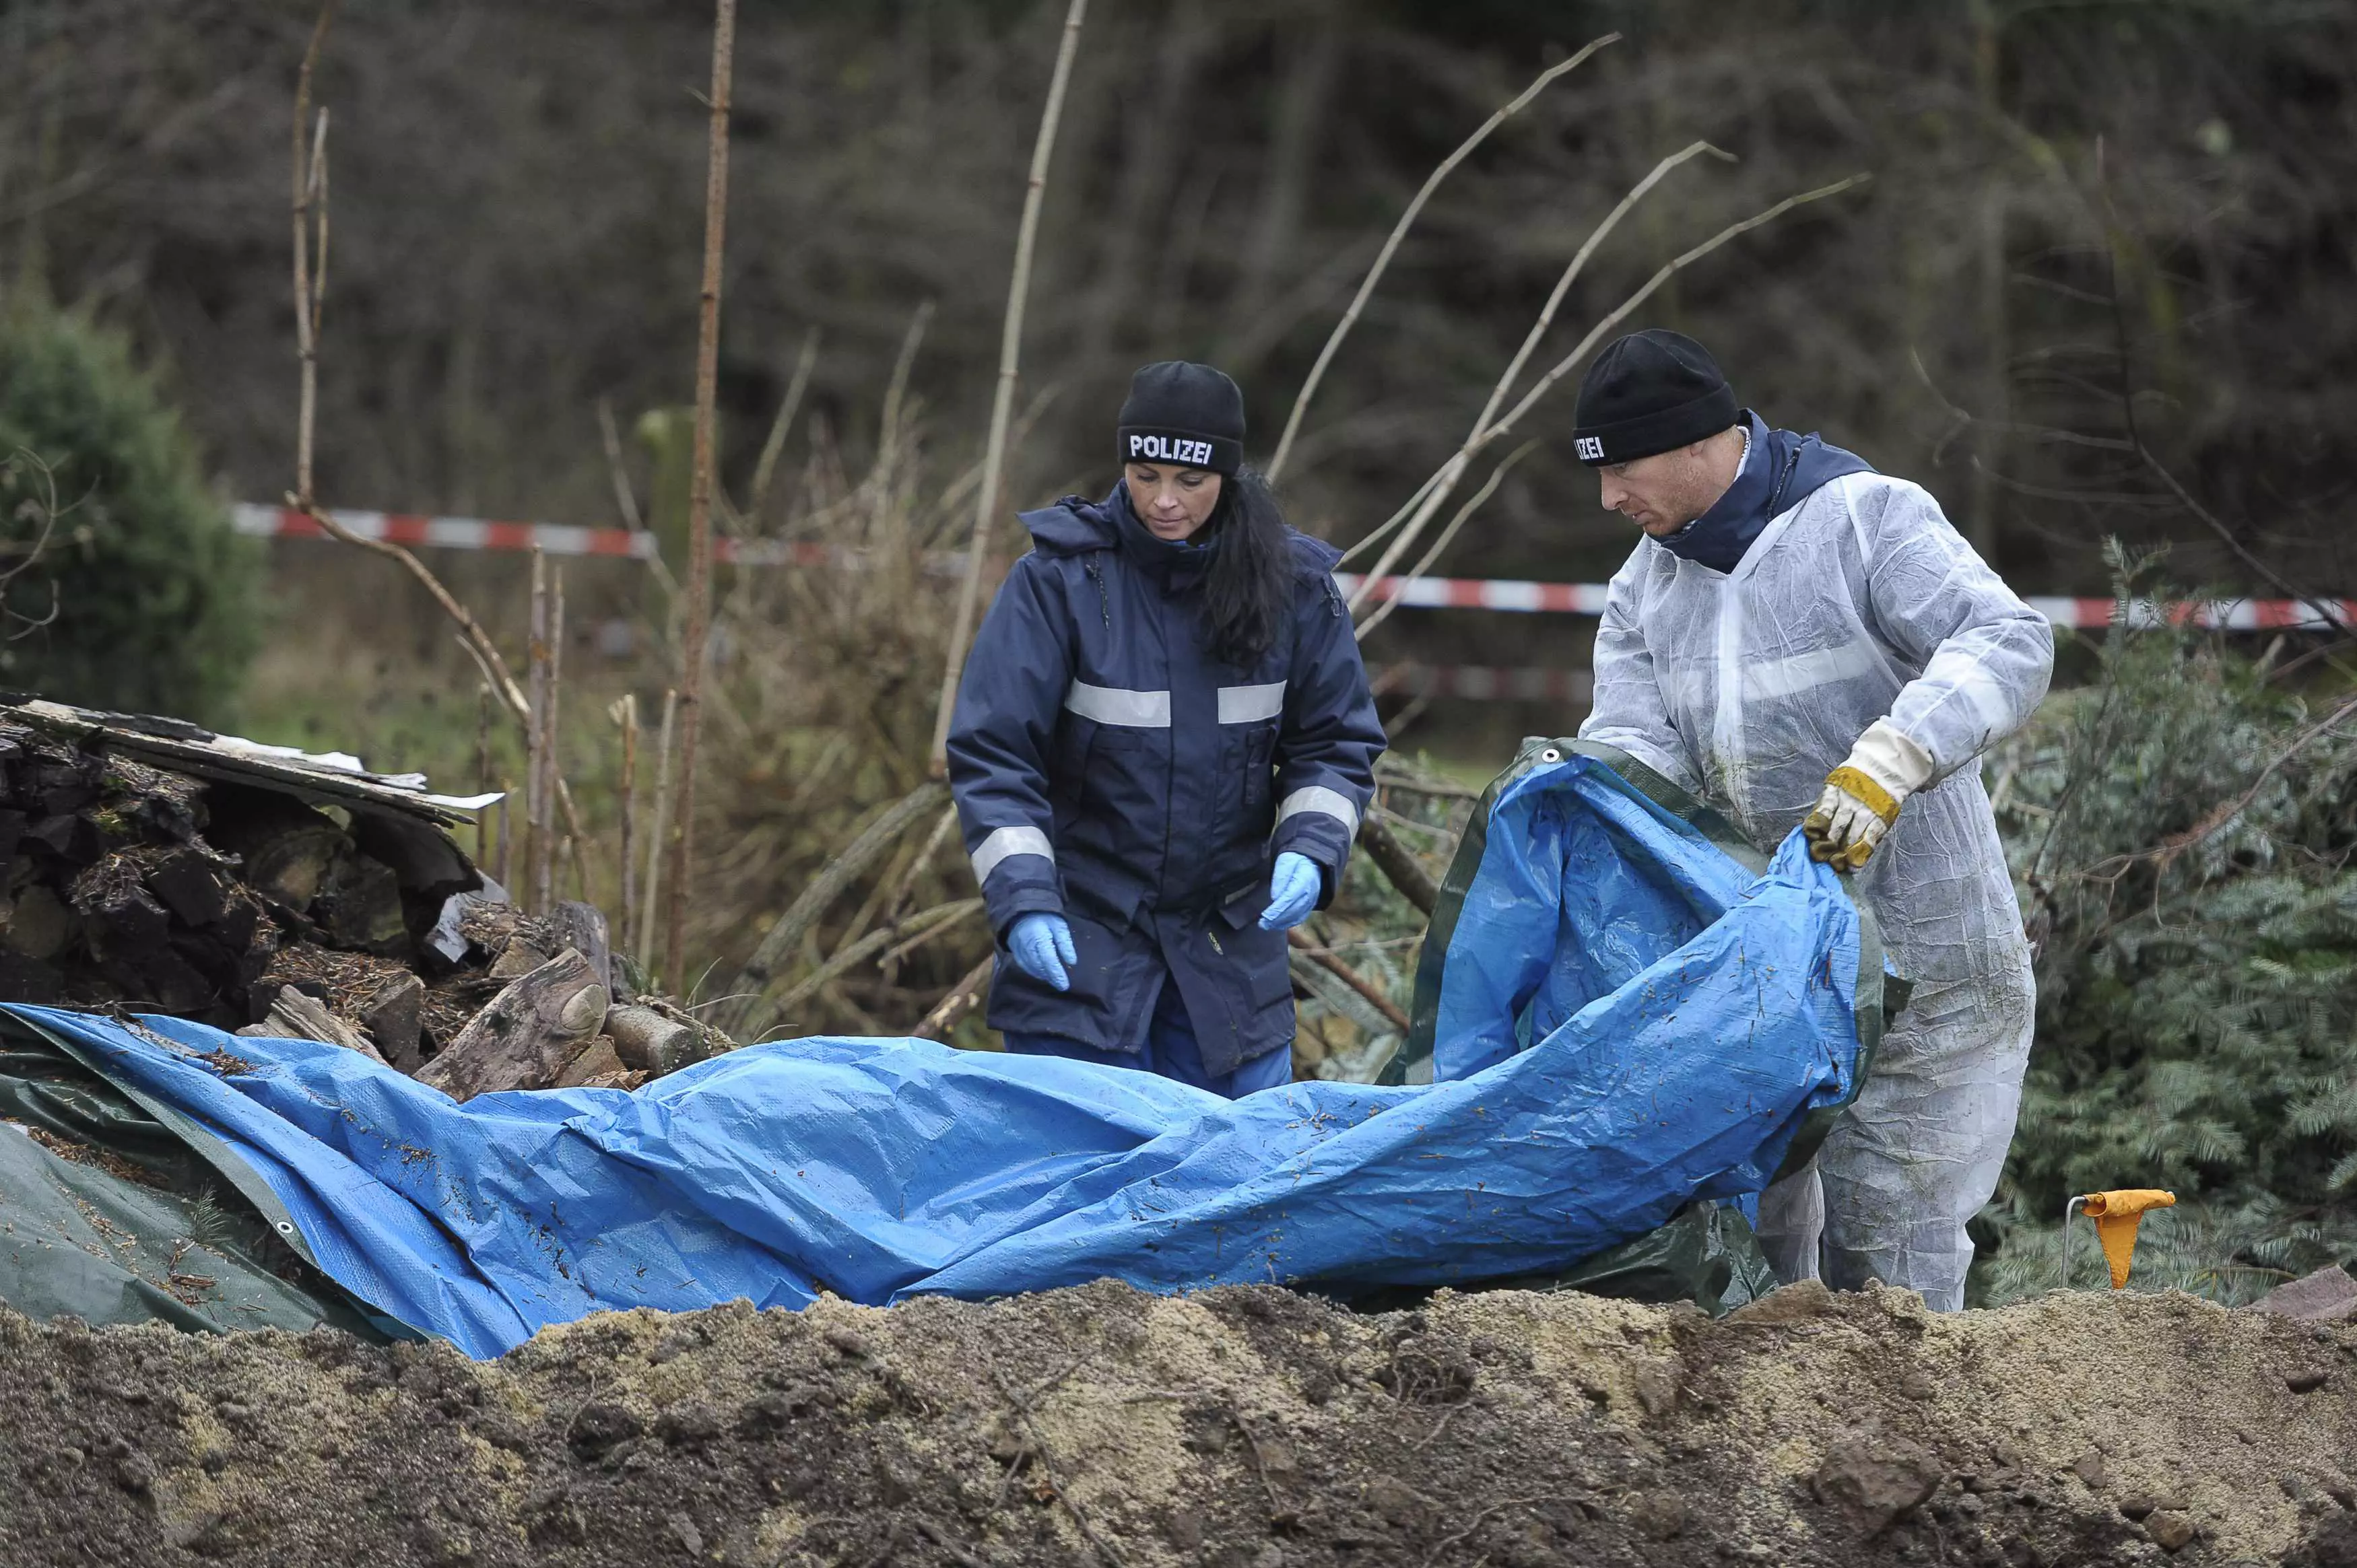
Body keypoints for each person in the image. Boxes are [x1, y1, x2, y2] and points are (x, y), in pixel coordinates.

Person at [1569, 328, 2053, 1311]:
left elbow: (2005, 637)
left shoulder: (1866, 520)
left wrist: (1892, 758)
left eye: (1623, 468)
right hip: (1761, 962)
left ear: (1700, 441)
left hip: (1928, 951)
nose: (1609, 498)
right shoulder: (1643, 591)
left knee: (1893, 1256)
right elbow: (1634, 763)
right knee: (1749, 1248)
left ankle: (1914, 1452)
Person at [946, 361, 1385, 1096]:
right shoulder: (1059, 582)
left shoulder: (1294, 591)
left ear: (1229, 474)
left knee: (1242, 1190)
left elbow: (1334, 745)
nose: (1163, 501)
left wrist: (1311, 850)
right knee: (1080, 1188)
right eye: (1144, 474)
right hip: (1080, 950)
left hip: (1229, 965)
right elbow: (993, 756)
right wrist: (1023, 898)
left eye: (1189, 481)